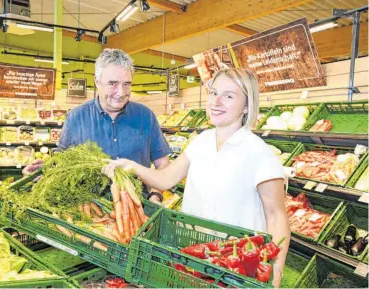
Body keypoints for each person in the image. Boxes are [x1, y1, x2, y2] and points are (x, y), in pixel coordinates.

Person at [103, 68, 290, 287]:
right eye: (213, 93)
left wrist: (275, 275)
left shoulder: (259, 153)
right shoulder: (201, 141)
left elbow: (277, 217)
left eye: (228, 96)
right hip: (195, 257)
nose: (216, 102)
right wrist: (132, 166)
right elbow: (166, 179)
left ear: (247, 106)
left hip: (236, 264)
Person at [24, 48, 171, 203]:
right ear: (97, 82)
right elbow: (63, 161)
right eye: (113, 84)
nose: (121, 92)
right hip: (87, 212)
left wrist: (156, 196)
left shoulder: (145, 116)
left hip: (139, 210)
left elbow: (163, 163)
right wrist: (45, 169)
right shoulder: (76, 117)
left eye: (126, 84)